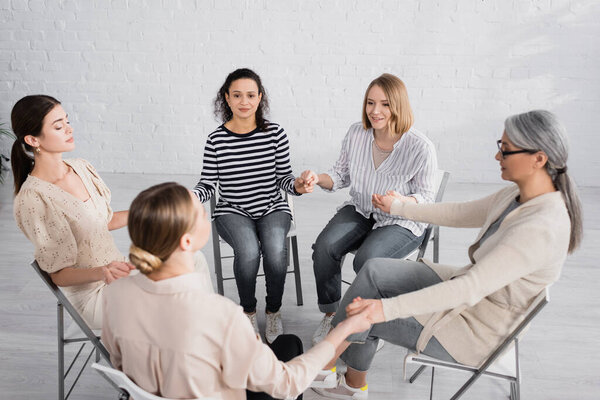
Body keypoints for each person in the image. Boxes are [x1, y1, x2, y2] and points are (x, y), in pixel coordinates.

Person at [312, 110, 583, 400]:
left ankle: (348, 383)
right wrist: (399, 208)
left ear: (538, 159)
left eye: (505, 149)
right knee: (375, 270)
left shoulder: (541, 227)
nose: (497, 156)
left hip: (475, 330)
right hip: (469, 296)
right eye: (499, 146)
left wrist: (385, 309)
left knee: (369, 313)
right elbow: (460, 212)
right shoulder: (518, 195)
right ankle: (329, 364)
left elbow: (468, 289)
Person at [102, 182, 372, 400]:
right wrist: (344, 331)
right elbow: (287, 384)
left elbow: (119, 362)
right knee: (292, 345)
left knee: (285, 344)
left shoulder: (115, 293)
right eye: (201, 213)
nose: (208, 213)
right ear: (186, 240)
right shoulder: (220, 315)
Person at [300, 73, 438, 345]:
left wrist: (399, 202)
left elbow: (427, 199)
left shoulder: (420, 147)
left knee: (367, 261)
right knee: (324, 248)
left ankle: (370, 320)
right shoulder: (356, 133)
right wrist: (317, 179)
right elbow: (340, 175)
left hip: (401, 220)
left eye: (385, 104)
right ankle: (331, 315)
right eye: (370, 103)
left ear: (399, 105)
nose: (375, 111)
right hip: (362, 209)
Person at [192, 68, 313, 343]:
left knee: (273, 250)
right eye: (237, 95)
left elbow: (284, 178)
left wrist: (298, 186)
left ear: (260, 98)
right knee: (247, 252)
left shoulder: (275, 134)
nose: (243, 101)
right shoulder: (216, 140)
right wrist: (192, 196)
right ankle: (247, 311)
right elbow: (208, 184)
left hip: (272, 207)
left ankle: (273, 310)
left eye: (250, 95)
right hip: (233, 211)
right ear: (227, 98)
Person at [11, 95, 134, 329]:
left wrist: (148, 208)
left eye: (67, 121)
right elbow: (57, 274)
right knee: (169, 302)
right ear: (32, 139)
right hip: (91, 294)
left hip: (119, 270)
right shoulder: (34, 198)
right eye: (58, 126)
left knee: (191, 266)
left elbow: (101, 221)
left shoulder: (81, 168)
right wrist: (102, 271)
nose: (69, 129)